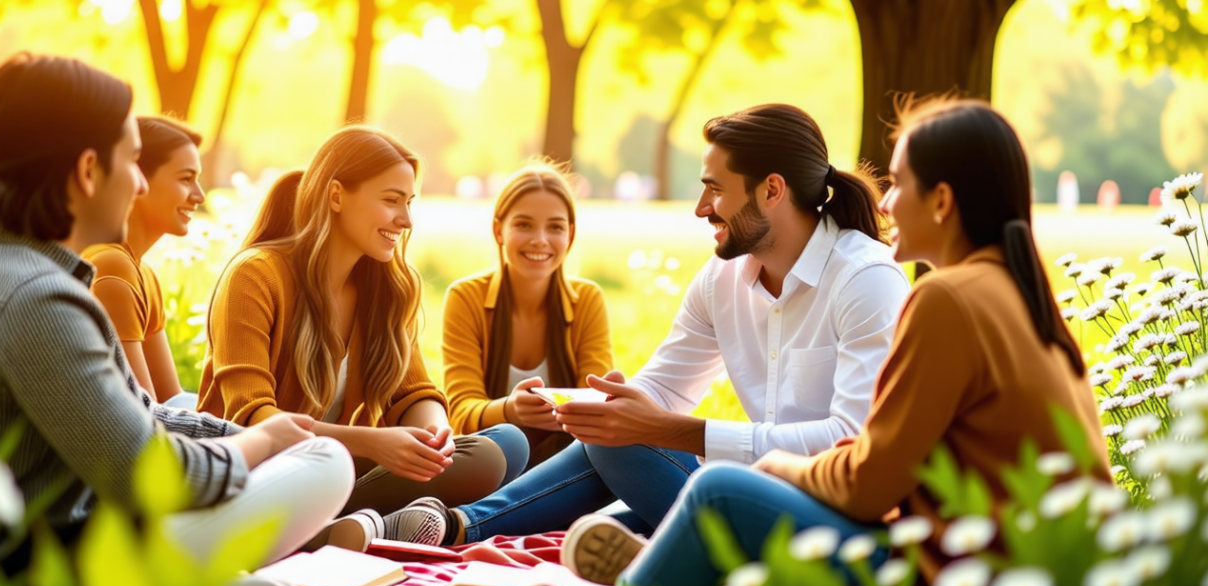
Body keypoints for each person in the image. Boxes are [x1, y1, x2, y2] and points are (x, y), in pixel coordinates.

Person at [516, 98, 1111, 586]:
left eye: (899, 183)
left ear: (943, 200)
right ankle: (665, 569)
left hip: (965, 585)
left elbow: (871, 478)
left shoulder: (940, 297)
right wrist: (632, 412)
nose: (883, 201)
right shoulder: (1008, 289)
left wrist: (774, 469)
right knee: (659, 460)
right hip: (1016, 571)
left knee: (718, 490)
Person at [0, 53, 353, 586]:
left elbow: (143, 412)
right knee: (327, 462)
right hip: (44, 580)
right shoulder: (36, 301)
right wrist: (260, 447)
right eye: (133, 160)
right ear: (87, 171)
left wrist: (252, 433)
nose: (137, 182)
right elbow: (152, 474)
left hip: (53, 543)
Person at [382, 104, 910, 558]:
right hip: (753, 489)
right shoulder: (722, 278)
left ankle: (490, 528)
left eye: (714, 190)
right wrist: (606, 405)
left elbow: (852, 441)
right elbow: (663, 390)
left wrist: (669, 430)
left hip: (829, 516)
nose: (702, 208)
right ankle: (455, 527)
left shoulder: (865, 280)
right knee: (615, 450)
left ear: (772, 190)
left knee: (651, 491)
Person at [197, 126, 529, 534]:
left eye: (409, 203)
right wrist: (371, 442)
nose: (405, 220)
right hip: (262, 480)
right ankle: (350, 527)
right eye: (391, 201)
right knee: (490, 461)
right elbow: (252, 419)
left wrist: (435, 432)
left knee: (509, 444)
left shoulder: (385, 288)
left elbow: (413, 393)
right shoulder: (255, 276)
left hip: (346, 471)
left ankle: (362, 524)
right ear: (336, 195)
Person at [443, 160, 612, 467]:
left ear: (570, 236)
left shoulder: (587, 299)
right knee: (505, 444)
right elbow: (460, 413)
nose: (540, 239)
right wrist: (509, 410)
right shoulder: (465, 297)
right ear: (499, 230)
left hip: (565, 461)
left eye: (555, 227)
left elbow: (595, 401)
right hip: (493, 462)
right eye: (523, 224)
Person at [82, 115, 204, 408]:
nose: (199, 196)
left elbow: (171, 397)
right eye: (186, 179)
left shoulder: (141, 272)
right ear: (139, 180)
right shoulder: (112, 266)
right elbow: (148, 417)